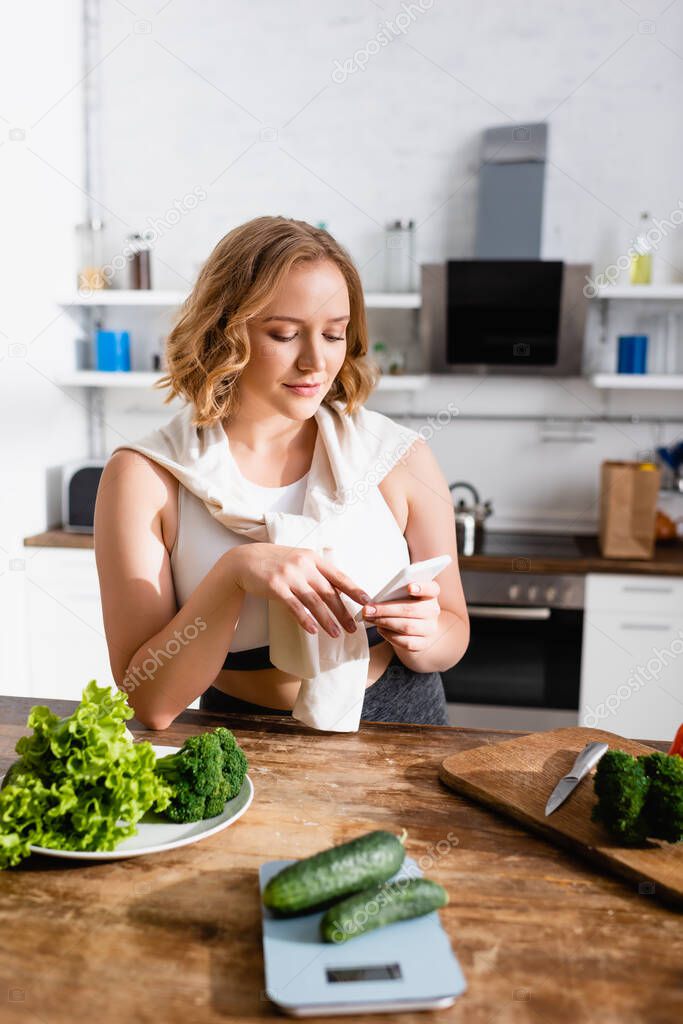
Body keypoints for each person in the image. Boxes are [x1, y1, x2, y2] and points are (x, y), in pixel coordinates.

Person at [94, 216, 469, 730]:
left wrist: (429, 639)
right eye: (286, 334)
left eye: (335, 334)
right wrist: (234, 574)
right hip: (237, 739)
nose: (316, 361)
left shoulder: (398, 456)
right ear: (224, 330)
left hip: (401, 724)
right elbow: (149, 703)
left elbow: (453, 632)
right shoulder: (145, 477)